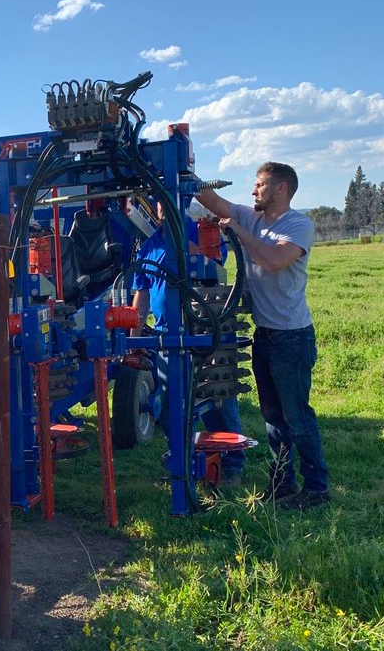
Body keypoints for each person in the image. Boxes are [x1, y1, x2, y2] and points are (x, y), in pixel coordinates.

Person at [197, 161, 329, 509]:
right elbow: (212, 200)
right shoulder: (250, 215)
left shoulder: (297, 225)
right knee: (273, 418)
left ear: (281, 188)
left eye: (260, 184)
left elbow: (273, 260)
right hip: (266, 336)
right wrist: (182, 167)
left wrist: (238, 231)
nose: (253, 190)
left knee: (297, 418)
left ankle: (317, 489)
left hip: (292, 338)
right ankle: (282, 484)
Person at [130, 203, 245, 483]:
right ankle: (182, 463)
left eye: (167, 199)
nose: (162, 206)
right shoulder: (149, 246)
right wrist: (134, 335)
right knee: (171, 405)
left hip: (204, 331)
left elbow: (215, 268)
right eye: (158, 201)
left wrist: (183, 244)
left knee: (216, 400)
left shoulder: (202, 232)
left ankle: (231, 466)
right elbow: (142, 292)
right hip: (166, 336)